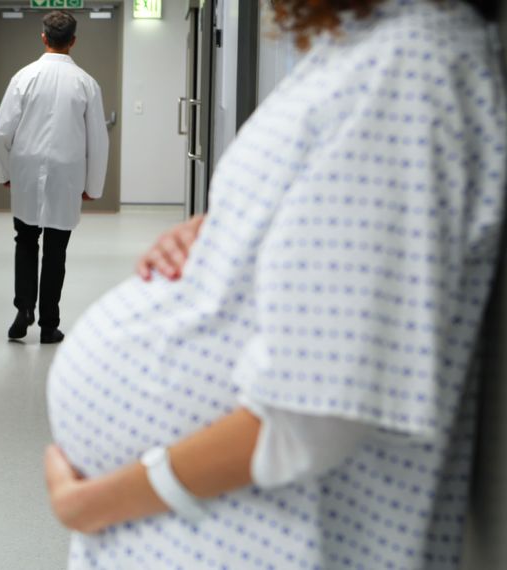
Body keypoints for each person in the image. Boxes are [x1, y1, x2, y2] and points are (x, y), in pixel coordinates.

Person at [42, 0, 505, 567]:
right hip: (202, 526)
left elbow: (312, 416)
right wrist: (221, 235)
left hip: (264, 537)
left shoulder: (408, 68)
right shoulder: (355, 49)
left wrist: (92, 505)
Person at [0, 10, 109, 344]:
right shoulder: (86, 83)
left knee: (25, 240)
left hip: (25, 168)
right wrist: (93, 186)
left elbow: (1, 132)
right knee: (56, 249)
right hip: (67, 172)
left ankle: (22, 310)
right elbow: (98, 140)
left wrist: (4, 171)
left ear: (43, 37)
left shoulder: (23, 78)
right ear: (72, 41)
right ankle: (48, 325)